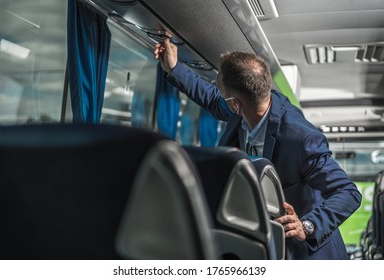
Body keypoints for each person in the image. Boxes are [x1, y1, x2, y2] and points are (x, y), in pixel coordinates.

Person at [154, 38, 362, 260]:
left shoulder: (301, 138)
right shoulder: (245, 106)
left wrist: (308, 225)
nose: (219, 94)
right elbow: (213, 100)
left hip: (308, 253)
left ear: (235, 103)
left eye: (221, 89)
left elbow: (349, 193)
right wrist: (173, 68)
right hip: (263, 242)